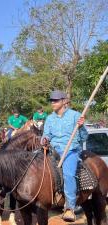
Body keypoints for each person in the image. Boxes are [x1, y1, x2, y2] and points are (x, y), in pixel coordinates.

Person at [42, 90, 87, 222]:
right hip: (53, 150)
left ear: (64, 101)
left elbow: (84, 137)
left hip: (70, 150)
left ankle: (70, 208)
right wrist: (44, 140)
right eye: (51, 101)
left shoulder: (75, 116)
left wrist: (81, 127)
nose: (53, 103)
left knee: (68, 174)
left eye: (55, 100)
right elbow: (46, 135)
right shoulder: (49, 118)